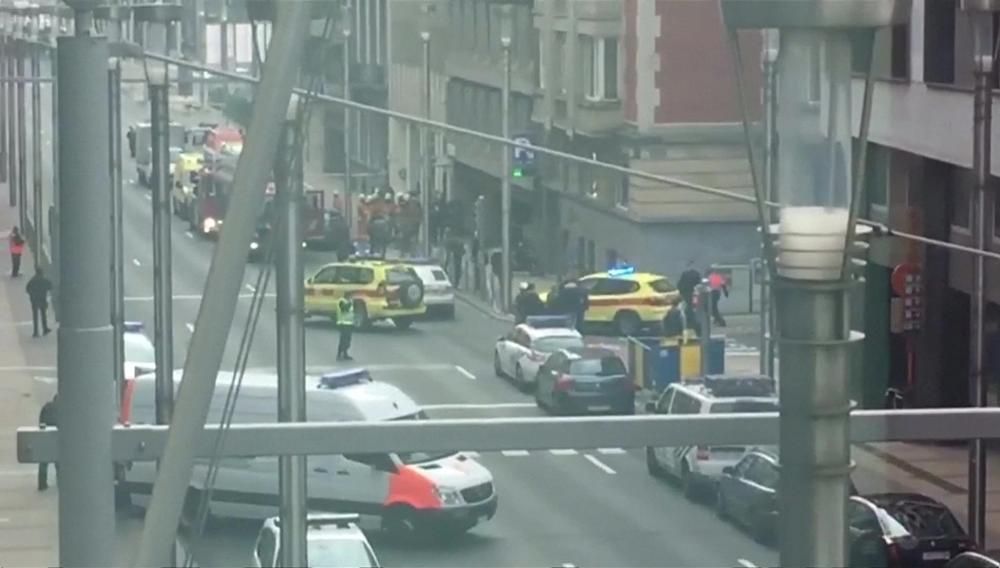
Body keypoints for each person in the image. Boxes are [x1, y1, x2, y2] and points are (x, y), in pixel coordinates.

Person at [37, 395, 57, 490]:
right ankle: (60, 482)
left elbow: (41, 420)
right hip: (57, 435)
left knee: (43, 462)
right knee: (59, 461)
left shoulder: (46, 407)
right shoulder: (62, 408)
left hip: (45, 435)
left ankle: (42, 484)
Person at [26, 269, 53, 337]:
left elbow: (27, 289)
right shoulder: (44, 280)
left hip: (34, 300)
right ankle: (45, 328)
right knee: (43, 314)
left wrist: (32, 294)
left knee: (35, 316)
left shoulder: (32, 280)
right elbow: (50, 286)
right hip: (42, 299)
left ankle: (35, 331)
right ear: (42, 272)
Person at [336, 294, 356, 361]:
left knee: (348, 340)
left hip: (349, 324)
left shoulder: (349, 302)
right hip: (343, 323)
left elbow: (351, 313)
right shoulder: (341, 301)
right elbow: (344, 309)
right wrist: (350, 303)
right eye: (350, 296)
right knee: (343, 339)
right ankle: (339, 353)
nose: (351, 297)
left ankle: (345, 353)